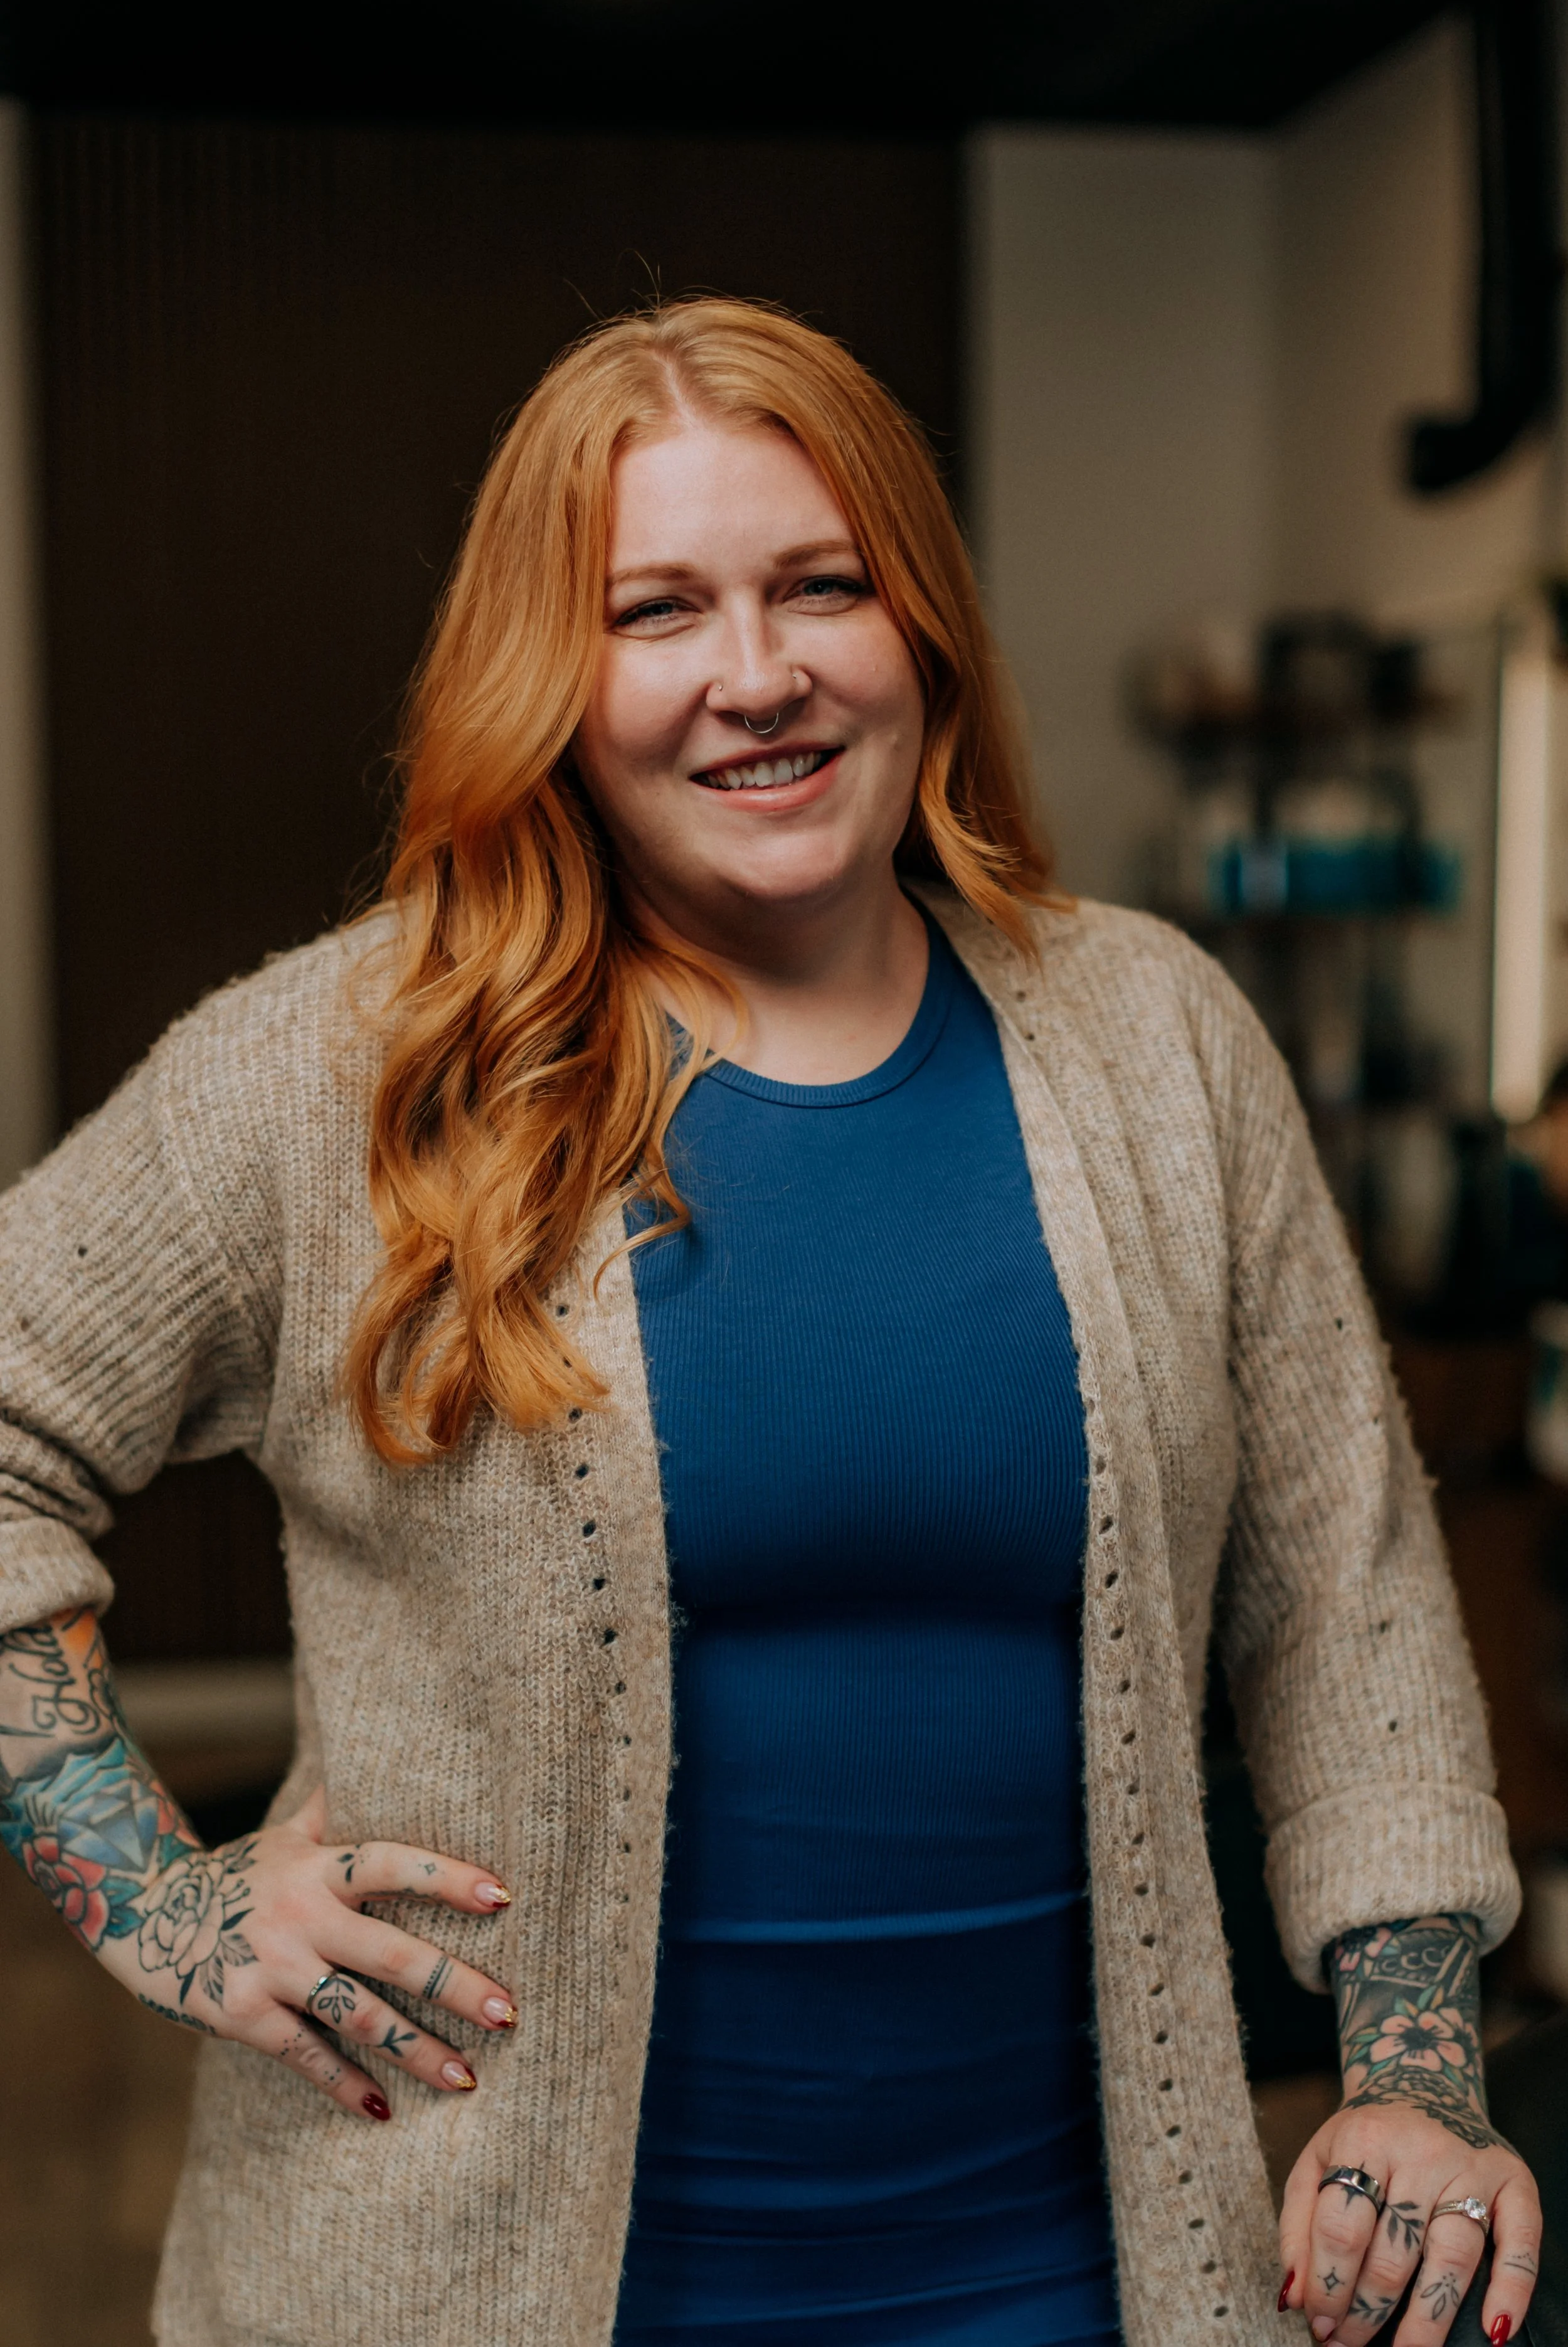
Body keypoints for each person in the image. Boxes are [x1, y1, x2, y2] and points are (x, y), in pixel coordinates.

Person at [0, 298, 1539, 2347]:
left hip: (1068, 2281)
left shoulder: (1153, 1038)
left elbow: (1340, 1598)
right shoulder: (349, 1069)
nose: (757, 675)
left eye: (822, 585)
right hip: (458, 2284)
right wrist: (161, 1903)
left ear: (920, 625)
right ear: (552, 672)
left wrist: (1413, 2079)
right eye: (656, 610)